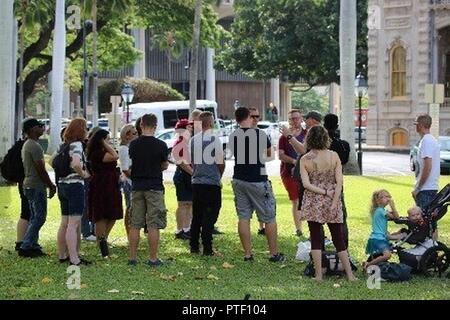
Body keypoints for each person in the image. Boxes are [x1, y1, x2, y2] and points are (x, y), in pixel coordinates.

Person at [299, 125, 356, 281]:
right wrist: (334, 201)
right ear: (326, 138)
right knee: (338, 239)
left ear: (309, 139)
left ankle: (318, 275)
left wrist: (323, 192)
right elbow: (339, 182)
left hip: (313, 200)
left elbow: (306, 184)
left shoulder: (305, 159)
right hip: (333, 199)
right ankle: (350, 275)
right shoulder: (334, 156)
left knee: (315, 238)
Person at [230, 107, 285, 262]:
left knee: (244, 216)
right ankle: (273, 253)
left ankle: (248, 254)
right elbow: (270, 155)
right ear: (248, 117)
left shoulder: (233, 135)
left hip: (239, 178)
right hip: (258, 179)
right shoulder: (260, 134)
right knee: (269, 217)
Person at [128, 113, 169, 266]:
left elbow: (132, 163)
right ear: (155, 126)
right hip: (154, 187)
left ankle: (132, 257)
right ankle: (152, 258)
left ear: (141, 125)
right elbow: (164, 165)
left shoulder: (134, 144)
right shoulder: (161, 145)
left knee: (135, 223)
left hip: (137, 186)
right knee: (153, 224)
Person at [18, 118, 56, 258]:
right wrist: (51, 185)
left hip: (29, 185)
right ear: (33, 129)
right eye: (40, 126)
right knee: (39, 217)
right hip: (35, 185)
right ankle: (26, 245)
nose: (43, 128)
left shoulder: (28, 144)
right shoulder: (34, 146)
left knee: (34, 217)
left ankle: (33, 244)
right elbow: (41, 169)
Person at [189, 112, 225, 256]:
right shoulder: (215, 140)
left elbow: (192, 161)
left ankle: (194, 246)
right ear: (210, 123)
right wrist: (218, 176)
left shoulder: (193, 140)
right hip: (211, 183)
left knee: (197, 215)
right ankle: (208, 247)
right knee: (211, 214)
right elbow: (220, 162)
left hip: (197, 182)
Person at [56, 118, 91, 266]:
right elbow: (76, 163)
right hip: (75, 185)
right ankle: (74, 258)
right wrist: (84, 174)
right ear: (81, 130)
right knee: (74, 223)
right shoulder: (77, 145)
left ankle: (62, 254)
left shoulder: (63, 146)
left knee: (64, 222)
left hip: (62, 185)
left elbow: (52, 161)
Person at [87, 129, 123, 257]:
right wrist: (104, 143)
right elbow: (114, 156)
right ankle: (101, 241)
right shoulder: (97, 153)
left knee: (112, 213)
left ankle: (104, 239)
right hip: (101, 184)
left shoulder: (103, 152)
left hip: (111, 185)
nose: (110, 142)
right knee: (101, 214)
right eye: (107, 139)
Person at [278, 109, 306, 237]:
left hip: (306, 173)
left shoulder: (307, 134)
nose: (294, 121)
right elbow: (281, 155)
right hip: (289, 173)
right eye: (291, 119)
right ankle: (298, 229)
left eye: (296, 118)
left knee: (305, 199)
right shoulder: (283, 137)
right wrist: (295, 162)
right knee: (296, 200)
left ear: (301, 119)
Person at [323, 113, 350, 247]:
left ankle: (319, 247)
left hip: (319, 185)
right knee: (340, 217)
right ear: (337, 125)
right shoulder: (343, 145)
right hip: (337, 184)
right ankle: (343, 247)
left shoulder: (319, 146)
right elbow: (343, 164)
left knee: (318, 217)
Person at [363, 189, 400, 270]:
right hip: (378, 238)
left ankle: (370, 263)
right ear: (378, 200)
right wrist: (393, 206)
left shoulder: (381, 210)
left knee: (387, 253)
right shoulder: (380, 210)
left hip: (379, 237)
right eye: (385, 197)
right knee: (387, 255)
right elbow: (397, 217)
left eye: (389, 196)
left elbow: (393, 215)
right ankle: (368, 264)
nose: (388, 198)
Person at [412, 115, 440, 211]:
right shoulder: (428, 140)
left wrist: (418, 188)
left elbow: (428, 166)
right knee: (427, 222)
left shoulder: (427, 141)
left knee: (424, 223)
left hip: (426, 189)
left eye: (416, 124)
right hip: (428, 188)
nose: (415, 126)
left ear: (420, 125)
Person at [172, 119, 194, 240]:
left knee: (189, 203)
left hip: (187, 175)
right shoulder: (180, 142)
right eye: (189, 127)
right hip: (183, 175)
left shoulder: (186, 142)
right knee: (183, 204)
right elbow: (181, 162)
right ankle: (180, 230)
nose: (191, 129)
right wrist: (193, 173)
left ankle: (187, 228)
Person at [248, 107, 266, 235]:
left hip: (261, 169)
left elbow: (268, 154)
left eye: (257, 116)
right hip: (245, 173)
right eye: (252, 116)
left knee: (262, 199)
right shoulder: (240, 133)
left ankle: (262, 226)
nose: (255, 119)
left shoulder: (261, 133)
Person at [119, 124, 138, 237]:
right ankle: (129, 233)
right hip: (129, 181)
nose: (137, 135)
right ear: (127, 135)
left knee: (134, 208)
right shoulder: (124, 149)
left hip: (133, 180)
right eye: (134, 133)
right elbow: (125, 169)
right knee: (130, 208)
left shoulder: (131, 147)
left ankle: (133, 233)